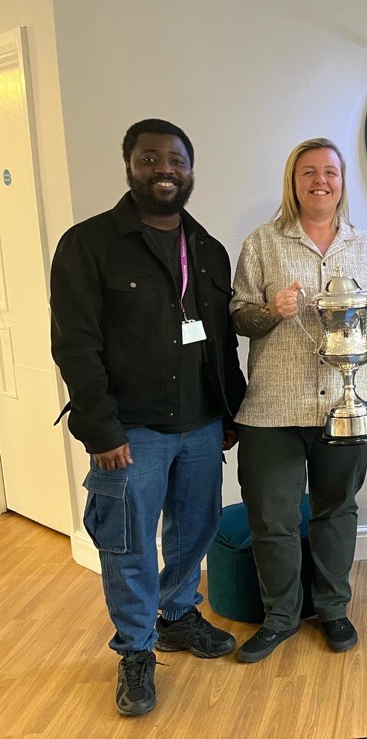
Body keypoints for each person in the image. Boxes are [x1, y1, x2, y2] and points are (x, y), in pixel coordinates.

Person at [50, 119, 246, 716]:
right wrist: (101, 428)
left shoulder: (207, 248)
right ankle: (134, 651)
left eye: (176, 160)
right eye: (150, 158)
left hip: (202, 423)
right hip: (130, 432)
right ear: (129, 165)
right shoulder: (88, 245)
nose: (165, 169)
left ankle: (178, 615)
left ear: (191, 170)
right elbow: (75, 344)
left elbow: (220, 341)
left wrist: (229, 411)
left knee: (194, 531)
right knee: (128, 546)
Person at [230, 138, 367, 662]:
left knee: (336, 510)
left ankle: (332, 610)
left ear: (341, 181)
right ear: (293, 181)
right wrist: (270, 310)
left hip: (349, 409)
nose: (320, 181)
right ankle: (280, 617)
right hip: (274, 407)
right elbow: (238, 316)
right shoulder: (262, 244)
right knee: (273, 519)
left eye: (329, 172)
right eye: (308, 172)